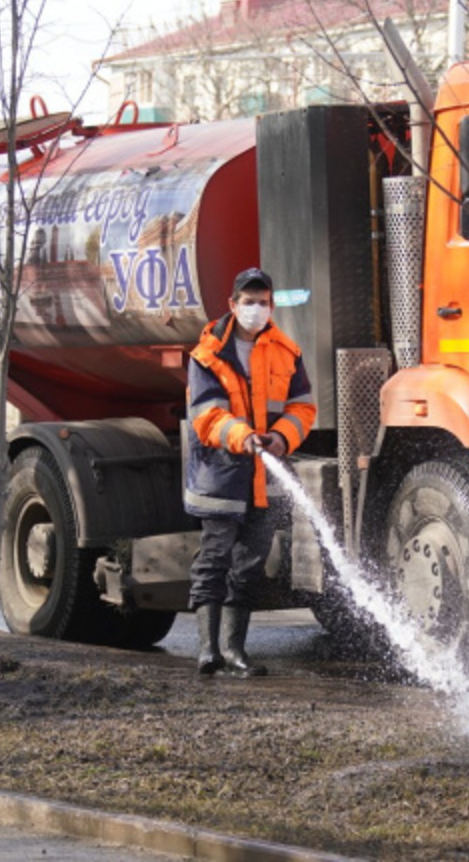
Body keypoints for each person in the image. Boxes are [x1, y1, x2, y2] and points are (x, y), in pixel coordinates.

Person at [183, 267, 316, 676]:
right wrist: (243, 436)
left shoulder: (286, 352)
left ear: (271, 304)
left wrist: (280, 437)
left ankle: (236, 650)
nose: (256, 308)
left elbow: (303, 407)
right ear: (233, 304)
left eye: (263, 301)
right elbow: (206, 415)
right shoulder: (206, 356)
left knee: (249, 566)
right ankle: (209, 651)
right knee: (214, 560)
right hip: (222, 475)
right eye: (249, 301)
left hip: (265, 475)